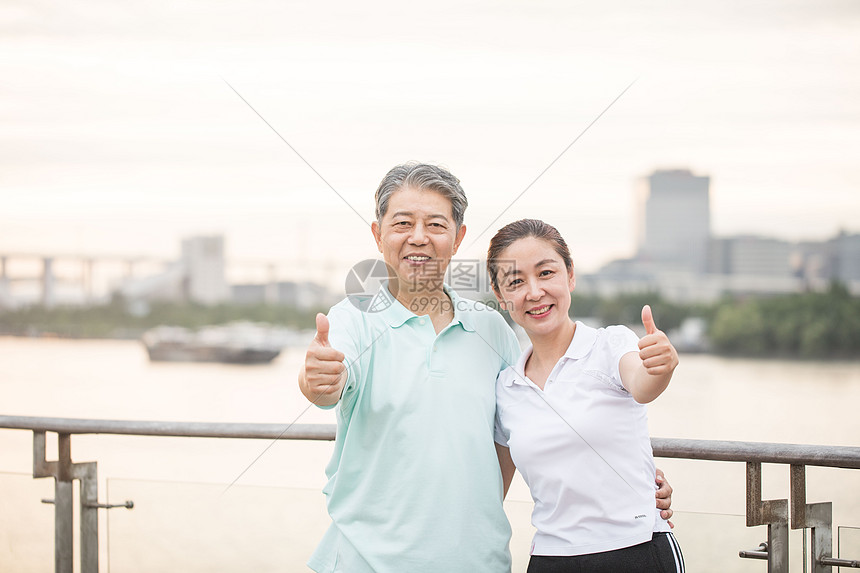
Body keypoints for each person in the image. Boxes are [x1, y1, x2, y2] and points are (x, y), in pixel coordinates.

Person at [298, 163, 673, 573]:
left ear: (458, 238)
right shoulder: (352, 319)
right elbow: (324, 384)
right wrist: (318, 379)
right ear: (378, 234)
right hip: (365, 562)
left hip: (478, 562)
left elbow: (527, 425)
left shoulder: (492, 329)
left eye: (436, 225)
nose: (418, 237)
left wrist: (631, 477)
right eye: (403, 223)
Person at [487, 218, 684, 573]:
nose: (534, 292)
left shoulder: (610, 345)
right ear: (501, 297)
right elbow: (490, 490)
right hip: (551, 557)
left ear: (570, 275)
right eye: (516, 282)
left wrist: (661, 367)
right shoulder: (506, 389)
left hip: (637, 550)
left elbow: (641, 384)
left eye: (546, 273)